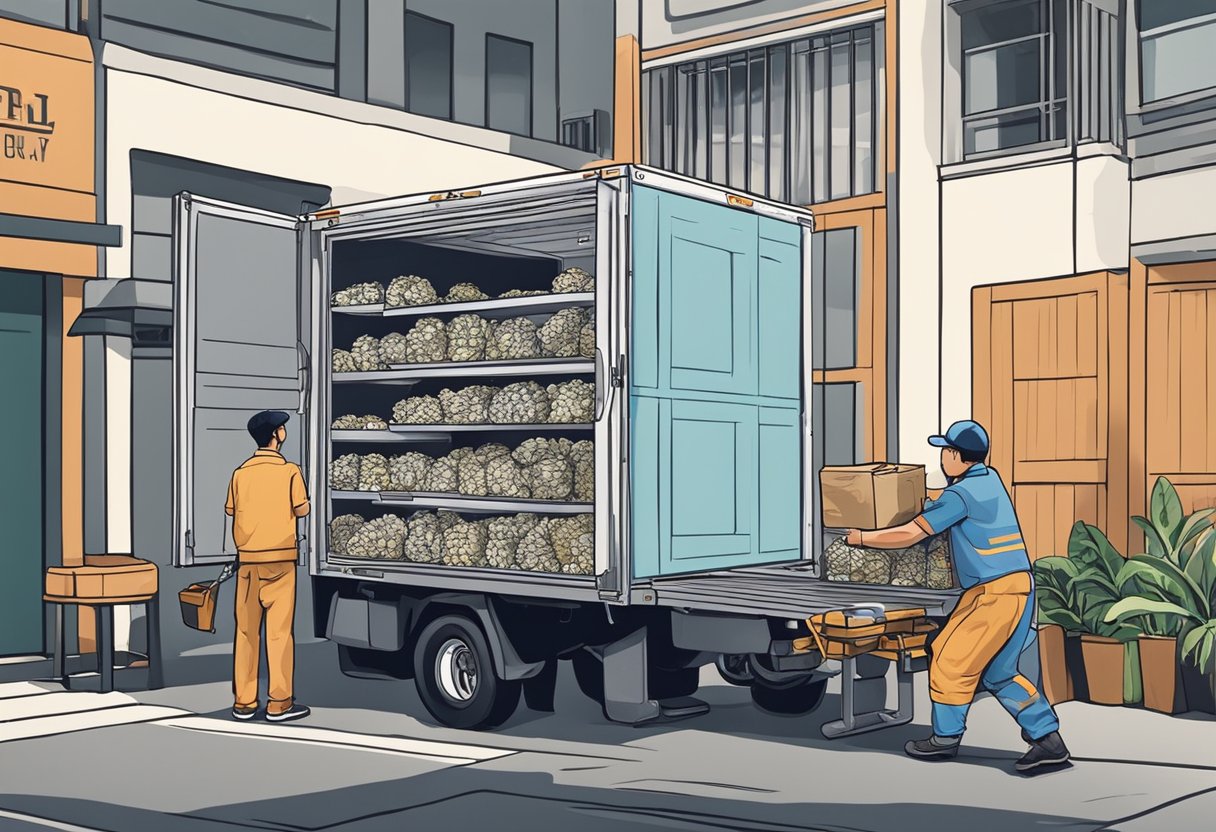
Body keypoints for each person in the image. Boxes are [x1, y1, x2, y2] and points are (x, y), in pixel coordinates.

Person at [845, 420, 1069, 773]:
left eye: (945, 451)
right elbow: (949, 505)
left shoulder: (960, 494)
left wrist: (861, 538)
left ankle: (944, 740)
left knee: (949, 660)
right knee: (1000, 673)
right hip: (1020, 587)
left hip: (993, 594)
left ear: (957, 456)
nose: (942, 458)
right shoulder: (988, 479)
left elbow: (908, 534)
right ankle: (1048, 740)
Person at [225, 410, 311, 722]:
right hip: (280, 563)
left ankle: (244, 703)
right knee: (278, 634)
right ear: (276, 434)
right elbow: (302, 509)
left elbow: (231, 510)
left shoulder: (240, 473)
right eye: (283, 428)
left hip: (247, 564)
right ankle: (279, 703)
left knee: (246, 633)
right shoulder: (289, 471)